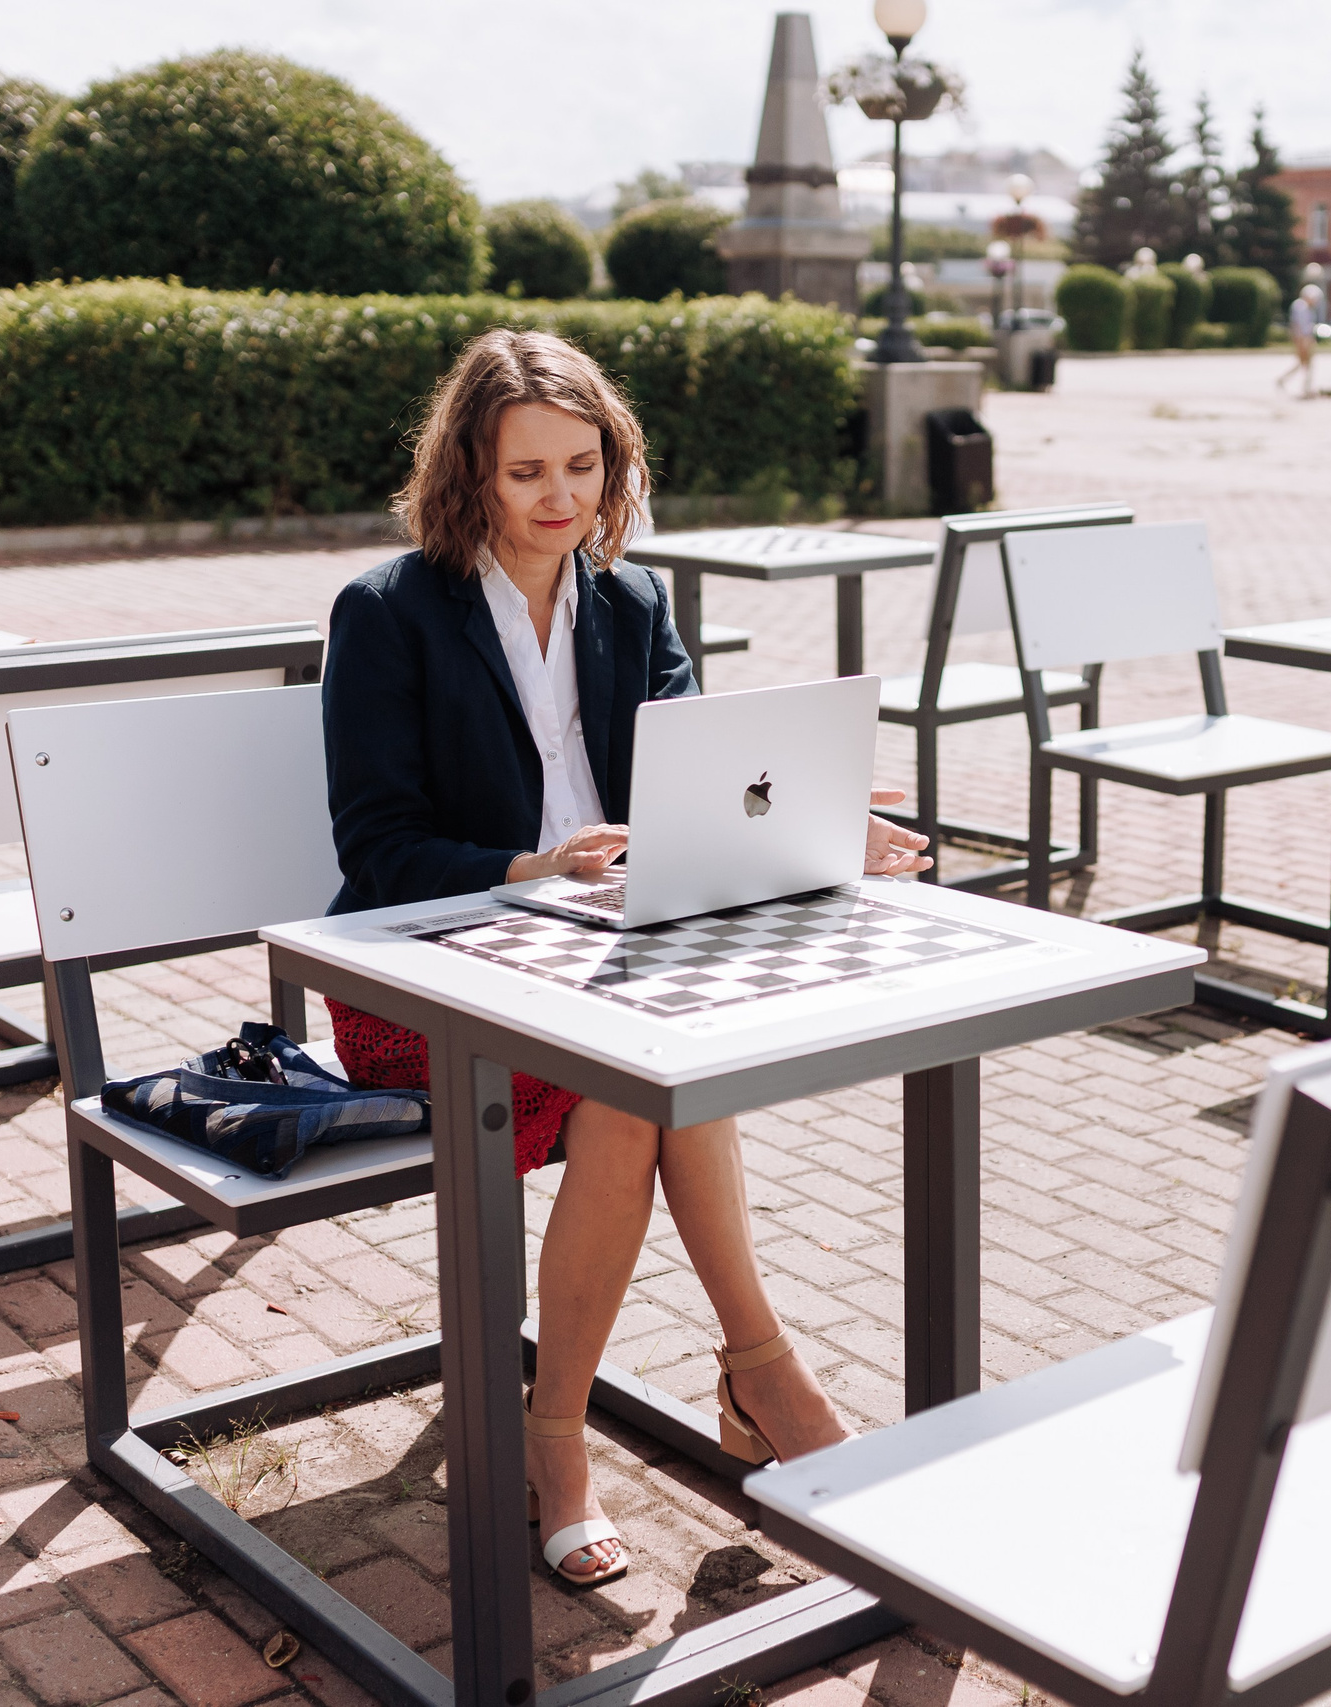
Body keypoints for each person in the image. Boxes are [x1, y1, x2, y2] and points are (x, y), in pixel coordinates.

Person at [319, 329, 932, 1588]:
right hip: (431, 970)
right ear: (469, 476)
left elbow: (706, 784)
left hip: (597, 958)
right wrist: (531, 869)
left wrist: (824, 823)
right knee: (641, 1086)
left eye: (583, 469)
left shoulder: (632, 600)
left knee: (648, 1081)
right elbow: (378, 850)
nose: (560, 501)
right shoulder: (389, 613)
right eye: (527, 472)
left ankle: (578, 1433)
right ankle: (746, 1389)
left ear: (616, 465)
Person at [1278, 282, 1322, 398]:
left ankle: (1286, 381)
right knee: (1305, 364)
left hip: (1306, 339)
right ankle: (1305, 388)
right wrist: (1302, 342)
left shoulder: (1306, 308)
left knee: (1304, 364)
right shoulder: (1300, 306)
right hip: (1303, 339)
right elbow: (1298, 326)